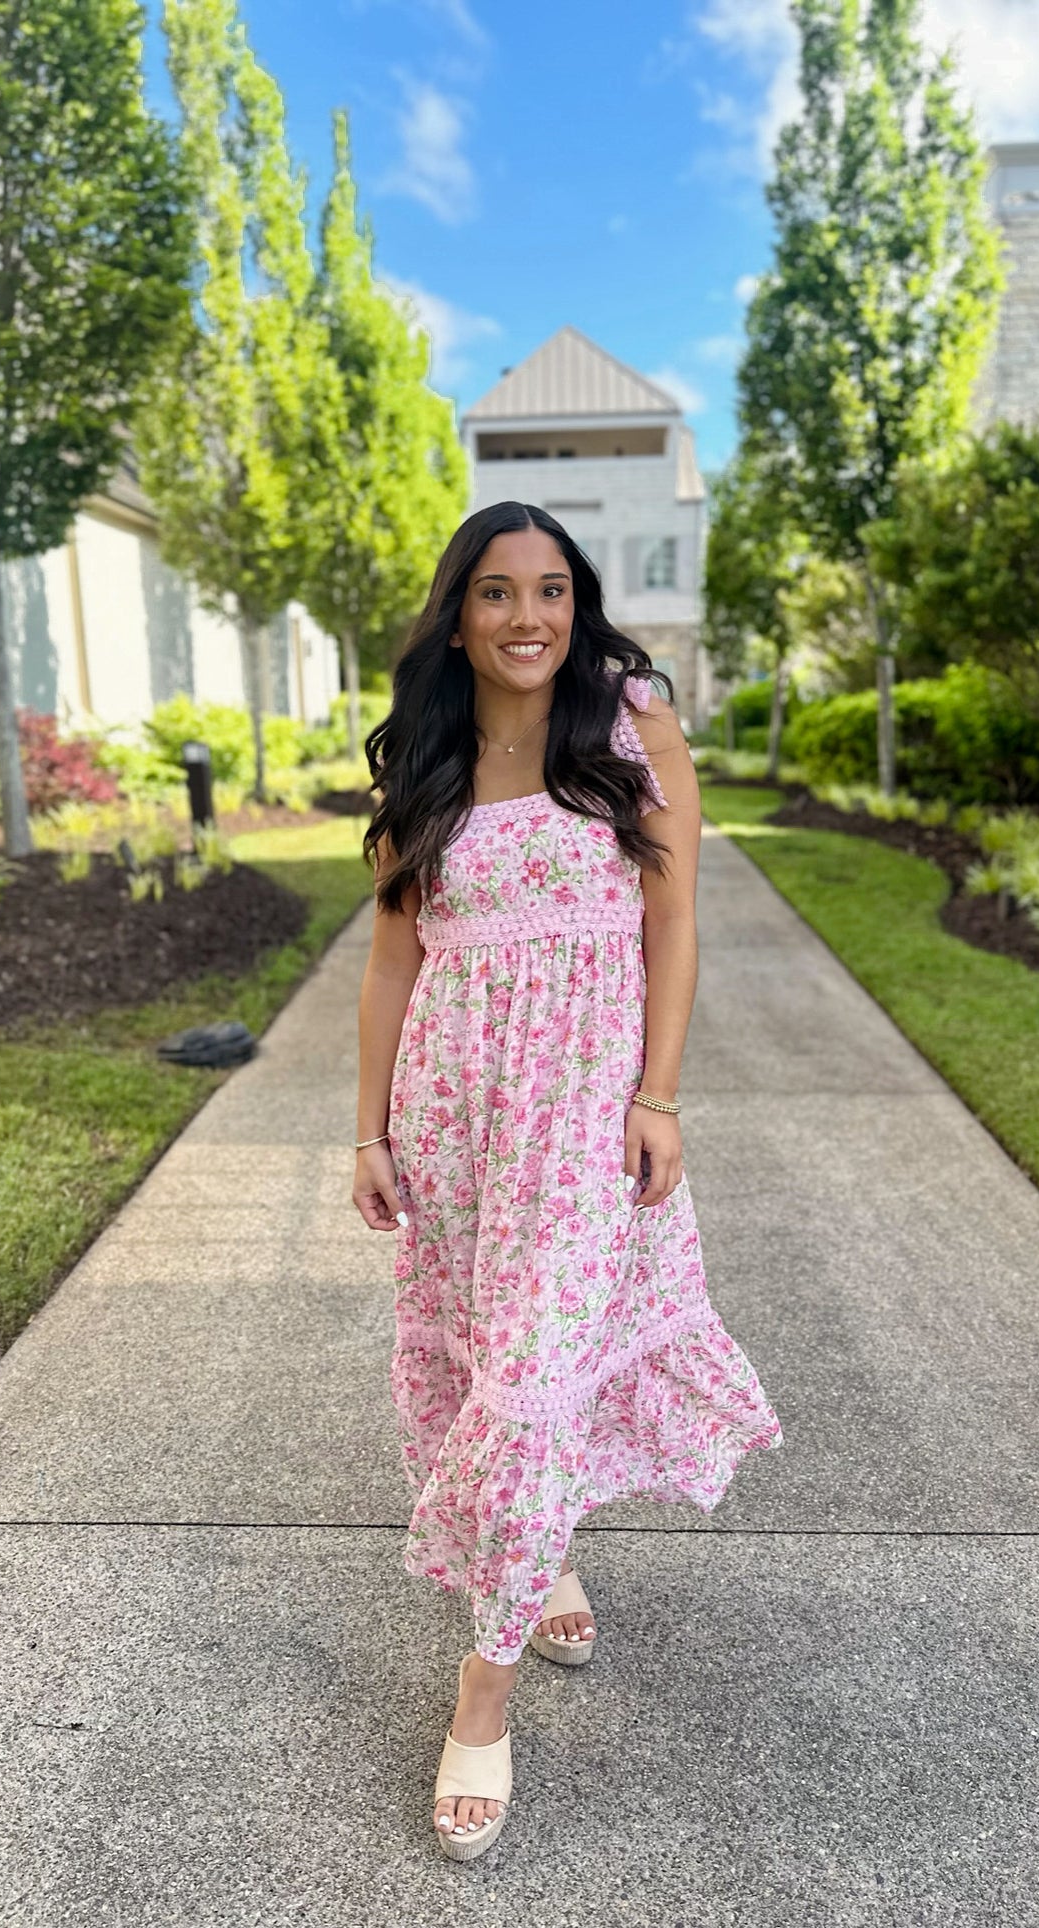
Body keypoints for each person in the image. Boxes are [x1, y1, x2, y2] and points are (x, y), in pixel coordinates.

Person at [352, 500, 783, 1861]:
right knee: (494, 1372)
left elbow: (673, 921)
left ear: (576, 602)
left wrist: (658, 1095)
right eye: (495, 592)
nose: (525, 616)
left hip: (586, 1126)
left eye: (549, 589)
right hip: (456, 1125)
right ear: (458, 613)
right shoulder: (423, 759)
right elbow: (389, 963)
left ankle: (480, 1696)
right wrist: (367, 1131)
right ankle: (541, 1562)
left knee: (535, 1379)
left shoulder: (631, 720)